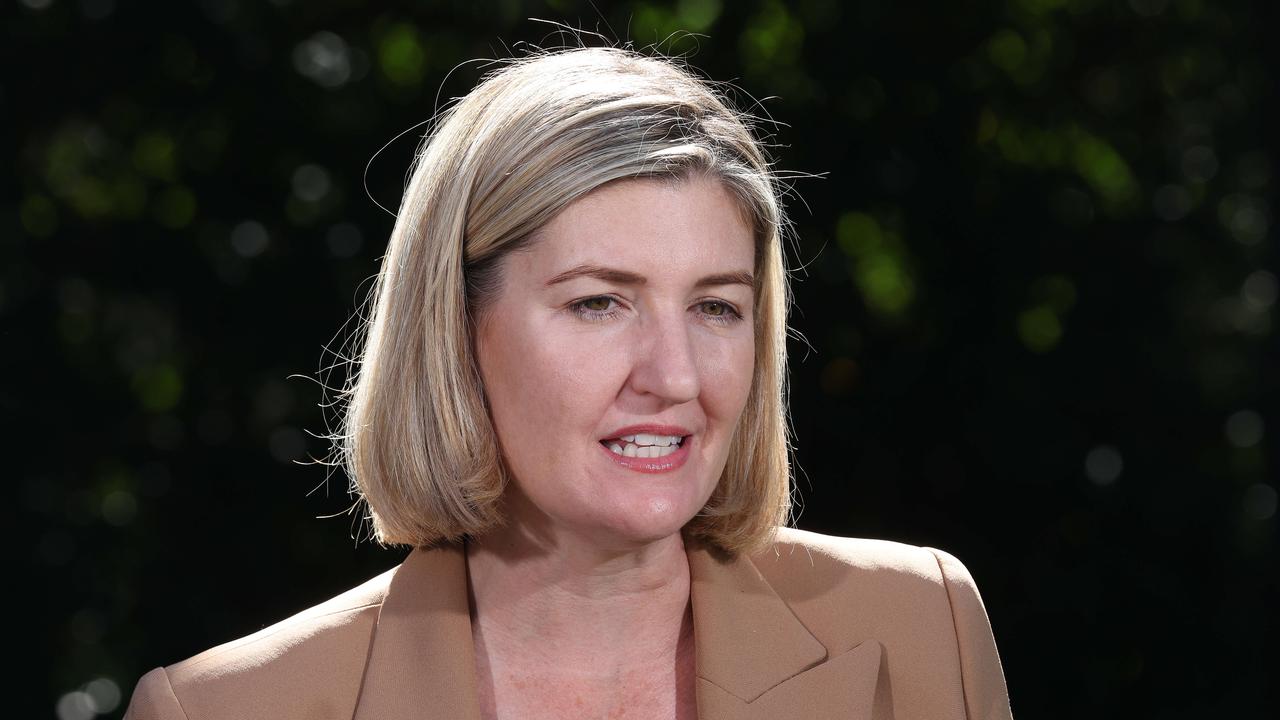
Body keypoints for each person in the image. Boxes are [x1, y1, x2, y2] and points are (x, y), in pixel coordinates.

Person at [123, 46, 1013, 720]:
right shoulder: (221, 711)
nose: (674, 378)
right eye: (599, 304)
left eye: (715, 307)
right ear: (458, 328)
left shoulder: (921, 625)